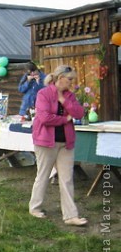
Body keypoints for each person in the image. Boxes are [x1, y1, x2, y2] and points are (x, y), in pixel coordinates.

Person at [29, 65, 87, 226]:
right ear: (60, 78)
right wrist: (64, 119)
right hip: (46, 142)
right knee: (43, 175)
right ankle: (35, 208)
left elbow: (79, 113)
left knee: (67, 179)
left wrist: (64, 102)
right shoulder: (43, 94)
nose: (72, 83)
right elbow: (45, 118)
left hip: (65, 142)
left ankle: (70, 216)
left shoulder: (70, 96)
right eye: (70, 79)